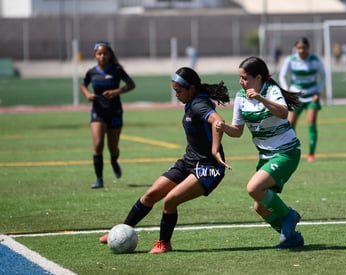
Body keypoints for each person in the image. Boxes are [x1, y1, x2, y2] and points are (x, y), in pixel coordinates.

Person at [99, 67, 232, 254]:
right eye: (174, 90)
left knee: (169, 201)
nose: (176, 95)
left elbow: (218, 121)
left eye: (179, 91)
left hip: (209, 168)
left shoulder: (198, 104)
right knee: (150, 195)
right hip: (188, 162)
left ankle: (164, 243)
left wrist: (215, 149)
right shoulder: (192, 101)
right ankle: (121, 230)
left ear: (191, 88)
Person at [216, 56, 304, 249]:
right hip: (265, 156)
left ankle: (289, 216)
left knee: (253, 188)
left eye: (245, 78)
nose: (241, 81)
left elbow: (283, 113)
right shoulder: (240, 97)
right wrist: (223, 127)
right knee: (260, 207)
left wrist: (260, 98)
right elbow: (237, 132)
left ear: (258, 78)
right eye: (240, 77)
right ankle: (291, 237)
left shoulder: (271, 91)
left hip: (286, 152)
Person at [80, 41, 136, 189]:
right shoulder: (91, 72)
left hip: (115, 111)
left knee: (113, 147)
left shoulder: (116, 70)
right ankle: (99, 179)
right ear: (95, 56)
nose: (102, 56)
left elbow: (131, 85)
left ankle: (113, 160)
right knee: (98, 145)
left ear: (110, 55)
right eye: (99, 54)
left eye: (105, 53)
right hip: (98, 112)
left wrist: (116, 91)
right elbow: (83, 84)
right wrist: (87, 94)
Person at [279, 37, 326, 163]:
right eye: (298, 48)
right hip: (296, 97)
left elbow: (323, 76)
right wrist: (286, 90)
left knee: (311, 122)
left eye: (303, 48)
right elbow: (282, 75)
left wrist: (318, 92)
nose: (301, 50)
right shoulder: (291, 60)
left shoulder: (315, 60)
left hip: (312, 96)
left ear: (308, 48)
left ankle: (311, 154)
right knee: (290, 123)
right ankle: (292, 149)